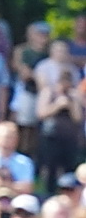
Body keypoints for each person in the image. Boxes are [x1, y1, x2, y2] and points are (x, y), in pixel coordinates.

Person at [34, 39, 83, 195]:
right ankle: (48, 193)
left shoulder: (73, 96)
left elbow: (78, 118)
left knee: (69, 168)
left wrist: (72, 103)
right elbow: (41, 113)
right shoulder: (49, 92)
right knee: (50, 169)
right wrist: (57, 105)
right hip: (50, 136)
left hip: (69, 137)